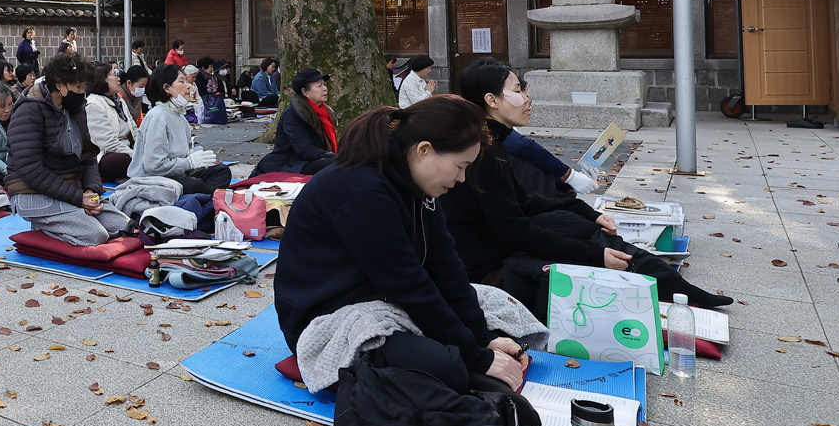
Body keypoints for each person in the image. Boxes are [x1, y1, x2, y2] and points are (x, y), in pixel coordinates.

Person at [273, 97, 530, 396]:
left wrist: (482, 338)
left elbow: (445, 265)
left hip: (380, 300)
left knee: (493, 310)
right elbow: (408, 285)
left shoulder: (415, 185)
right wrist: (477, 358)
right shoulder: (361, 191)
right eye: (460, 167)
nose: (461, 179)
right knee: (446, 367)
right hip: (331, 319)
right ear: (424, 150)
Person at [445, 61, 732, 313]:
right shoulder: (483, 151)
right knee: (582, 237)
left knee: (578, 223)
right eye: (518, 90)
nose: (527, 98)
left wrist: (590, 214)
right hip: (491, 266)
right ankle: (667, 285)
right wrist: (594, 255)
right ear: (491, 100)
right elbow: (515, 229)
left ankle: (668, 283)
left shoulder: (495, 142)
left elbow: (525, 199)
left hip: (503, 242)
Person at [6, 53, 127, 245]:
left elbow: (88, 156)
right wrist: (78, 198)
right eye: (78, 87)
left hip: (71, 191)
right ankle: (42, 228)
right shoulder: (30, 111)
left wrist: (90, 191)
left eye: (84, 87)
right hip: (32, 192)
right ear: (59, 83)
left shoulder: (76, 108)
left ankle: (67, 218)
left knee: (123, 226)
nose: (82, 92)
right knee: (95, 235)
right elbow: (30, 169)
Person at [129, 63, 231, 195]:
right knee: (194, 184)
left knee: (222, 171)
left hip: (178, 175)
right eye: (182, 81)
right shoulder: (158, 118)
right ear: (167, 88)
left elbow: (187, 149)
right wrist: (189, 162)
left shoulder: (180, 116)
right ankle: (203, 193)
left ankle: (202, 193)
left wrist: (196, 153)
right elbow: (154, 166)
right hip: (154, 180)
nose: (189, 85)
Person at [255, 68, 339, 176]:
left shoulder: (325, 111)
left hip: (313, 158)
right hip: (291, 163)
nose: (325, 89)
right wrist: (333, 156)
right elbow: (304, 149)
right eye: (319, 86)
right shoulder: (294, 114)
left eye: (324, 85)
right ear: (305, 92)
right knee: (336, 164)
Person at [85, 61, 137, 183]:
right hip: (106, 155)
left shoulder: (119, 100)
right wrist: (135, 155)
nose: (119, 79)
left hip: (126, 149)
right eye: (114, 75)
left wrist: (143, 148)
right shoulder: (93, 104)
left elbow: (133, 129)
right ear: (102, 80)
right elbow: (108, 143)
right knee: (122, 160)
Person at [198, 57, 229, 125]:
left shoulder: (211, 78)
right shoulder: (199, 78)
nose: (212, 69)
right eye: (210, 67)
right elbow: (202, 92)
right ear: (203, 68)